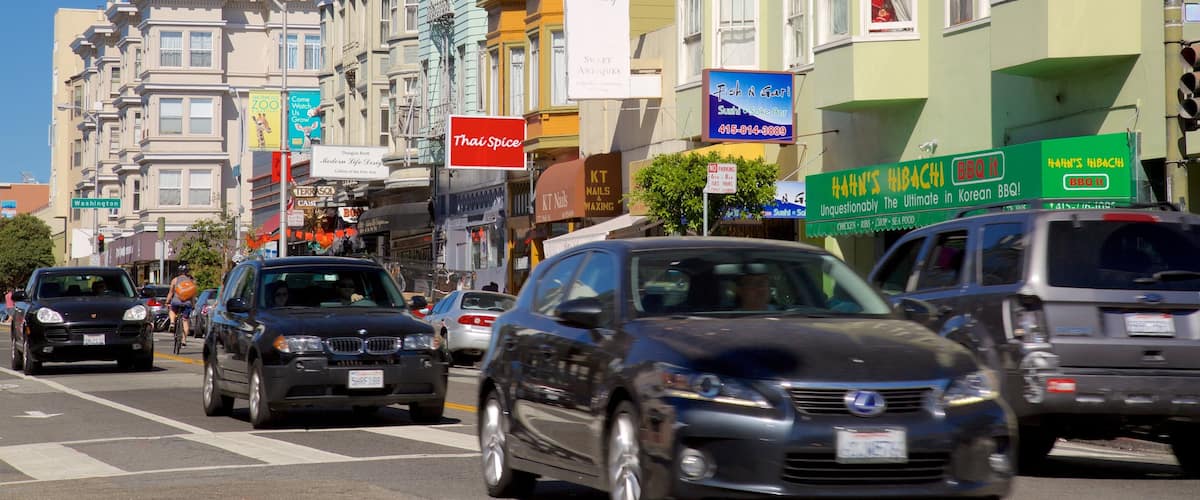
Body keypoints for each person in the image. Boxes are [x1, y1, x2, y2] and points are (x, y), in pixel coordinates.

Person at [165, 264, 196, 346]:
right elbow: (192, 295)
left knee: (172, 310)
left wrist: (167, 301)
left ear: (179, 272)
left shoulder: (175, 280)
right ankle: (184, 339)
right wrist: (193, 305)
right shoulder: (191, 281)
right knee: (185, 320)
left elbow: (171, 293)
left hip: (176, 301)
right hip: (187, 303)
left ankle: (172, 322)